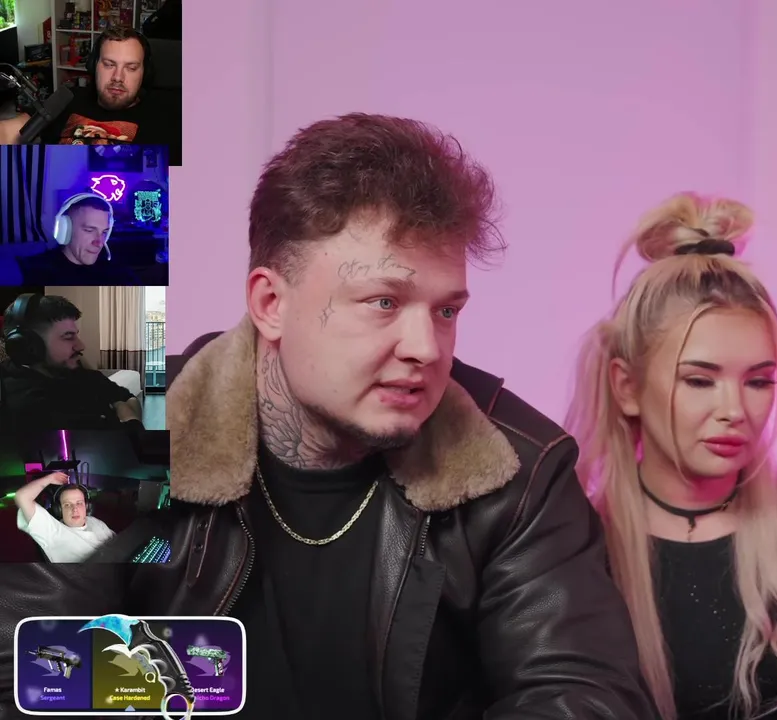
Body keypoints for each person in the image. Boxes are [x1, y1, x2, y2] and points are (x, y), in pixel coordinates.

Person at [0, 113, 656, 720]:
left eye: (446, 310)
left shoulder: (519, 469)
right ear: (271, 303)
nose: (428, 349)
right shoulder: (115, 430)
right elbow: (25, 675)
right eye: (383, 301)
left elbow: (585, 697)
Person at [564, 193, 777, 720]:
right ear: (627, 386)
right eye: (700, 380)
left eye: (758, 381)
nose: (735, 410)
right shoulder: (576, 548)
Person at [0, 26, 180, 162]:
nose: (118, 77)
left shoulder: (167, 115)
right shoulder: (68, 98)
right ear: (94, 65)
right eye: (109, 64)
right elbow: (9, 132)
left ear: (144, 73)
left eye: (131, 68)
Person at [0, 293, 144, 431]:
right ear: (29, 346)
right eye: (68, 337)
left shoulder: (73, 372)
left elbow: (129, 397)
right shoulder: (27, 403)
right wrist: (125, 411)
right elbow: (131, 436)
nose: (81, 346)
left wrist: (122, 407)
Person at [16, 194, 140, 285]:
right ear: (64, 230)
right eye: (89, 230)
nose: (99, 242)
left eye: (104, 232)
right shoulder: (34, 272)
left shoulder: (120, 274)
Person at [13, 472, 116, 562]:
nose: (74, 509)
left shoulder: (96, 522)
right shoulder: (52, 532)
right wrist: (49, 479)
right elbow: (22, 497)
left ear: (87, 506)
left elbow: (118, 544)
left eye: (79, 503)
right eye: (67, 505)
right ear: (59, 510)